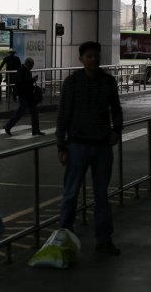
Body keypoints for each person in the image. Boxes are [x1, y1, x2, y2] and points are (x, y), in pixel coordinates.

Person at [57, 41, 123, 256]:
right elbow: (63, 115)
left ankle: (104, 240)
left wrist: (117, 130)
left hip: (102, 145)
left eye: (96, 56)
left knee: (101, 195)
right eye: (89, 56)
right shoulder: (72, 83)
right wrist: (61, 145)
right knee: (70, 194)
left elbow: (116, 109)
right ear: (81, 59)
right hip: (77, 144)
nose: (93, 59)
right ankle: (64, 238)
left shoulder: (108, 82)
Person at [3, 58, 43, 137]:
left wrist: (31, 80)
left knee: (33, 112)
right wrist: (32, 80)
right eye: (32, 65)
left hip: (28, 95)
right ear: (29, 64)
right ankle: (8, 126)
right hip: (24, 95)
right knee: (21, 112)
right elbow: (20, 81)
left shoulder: (24, 69)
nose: (32, 67)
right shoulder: (22, 70)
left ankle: (36, 130)